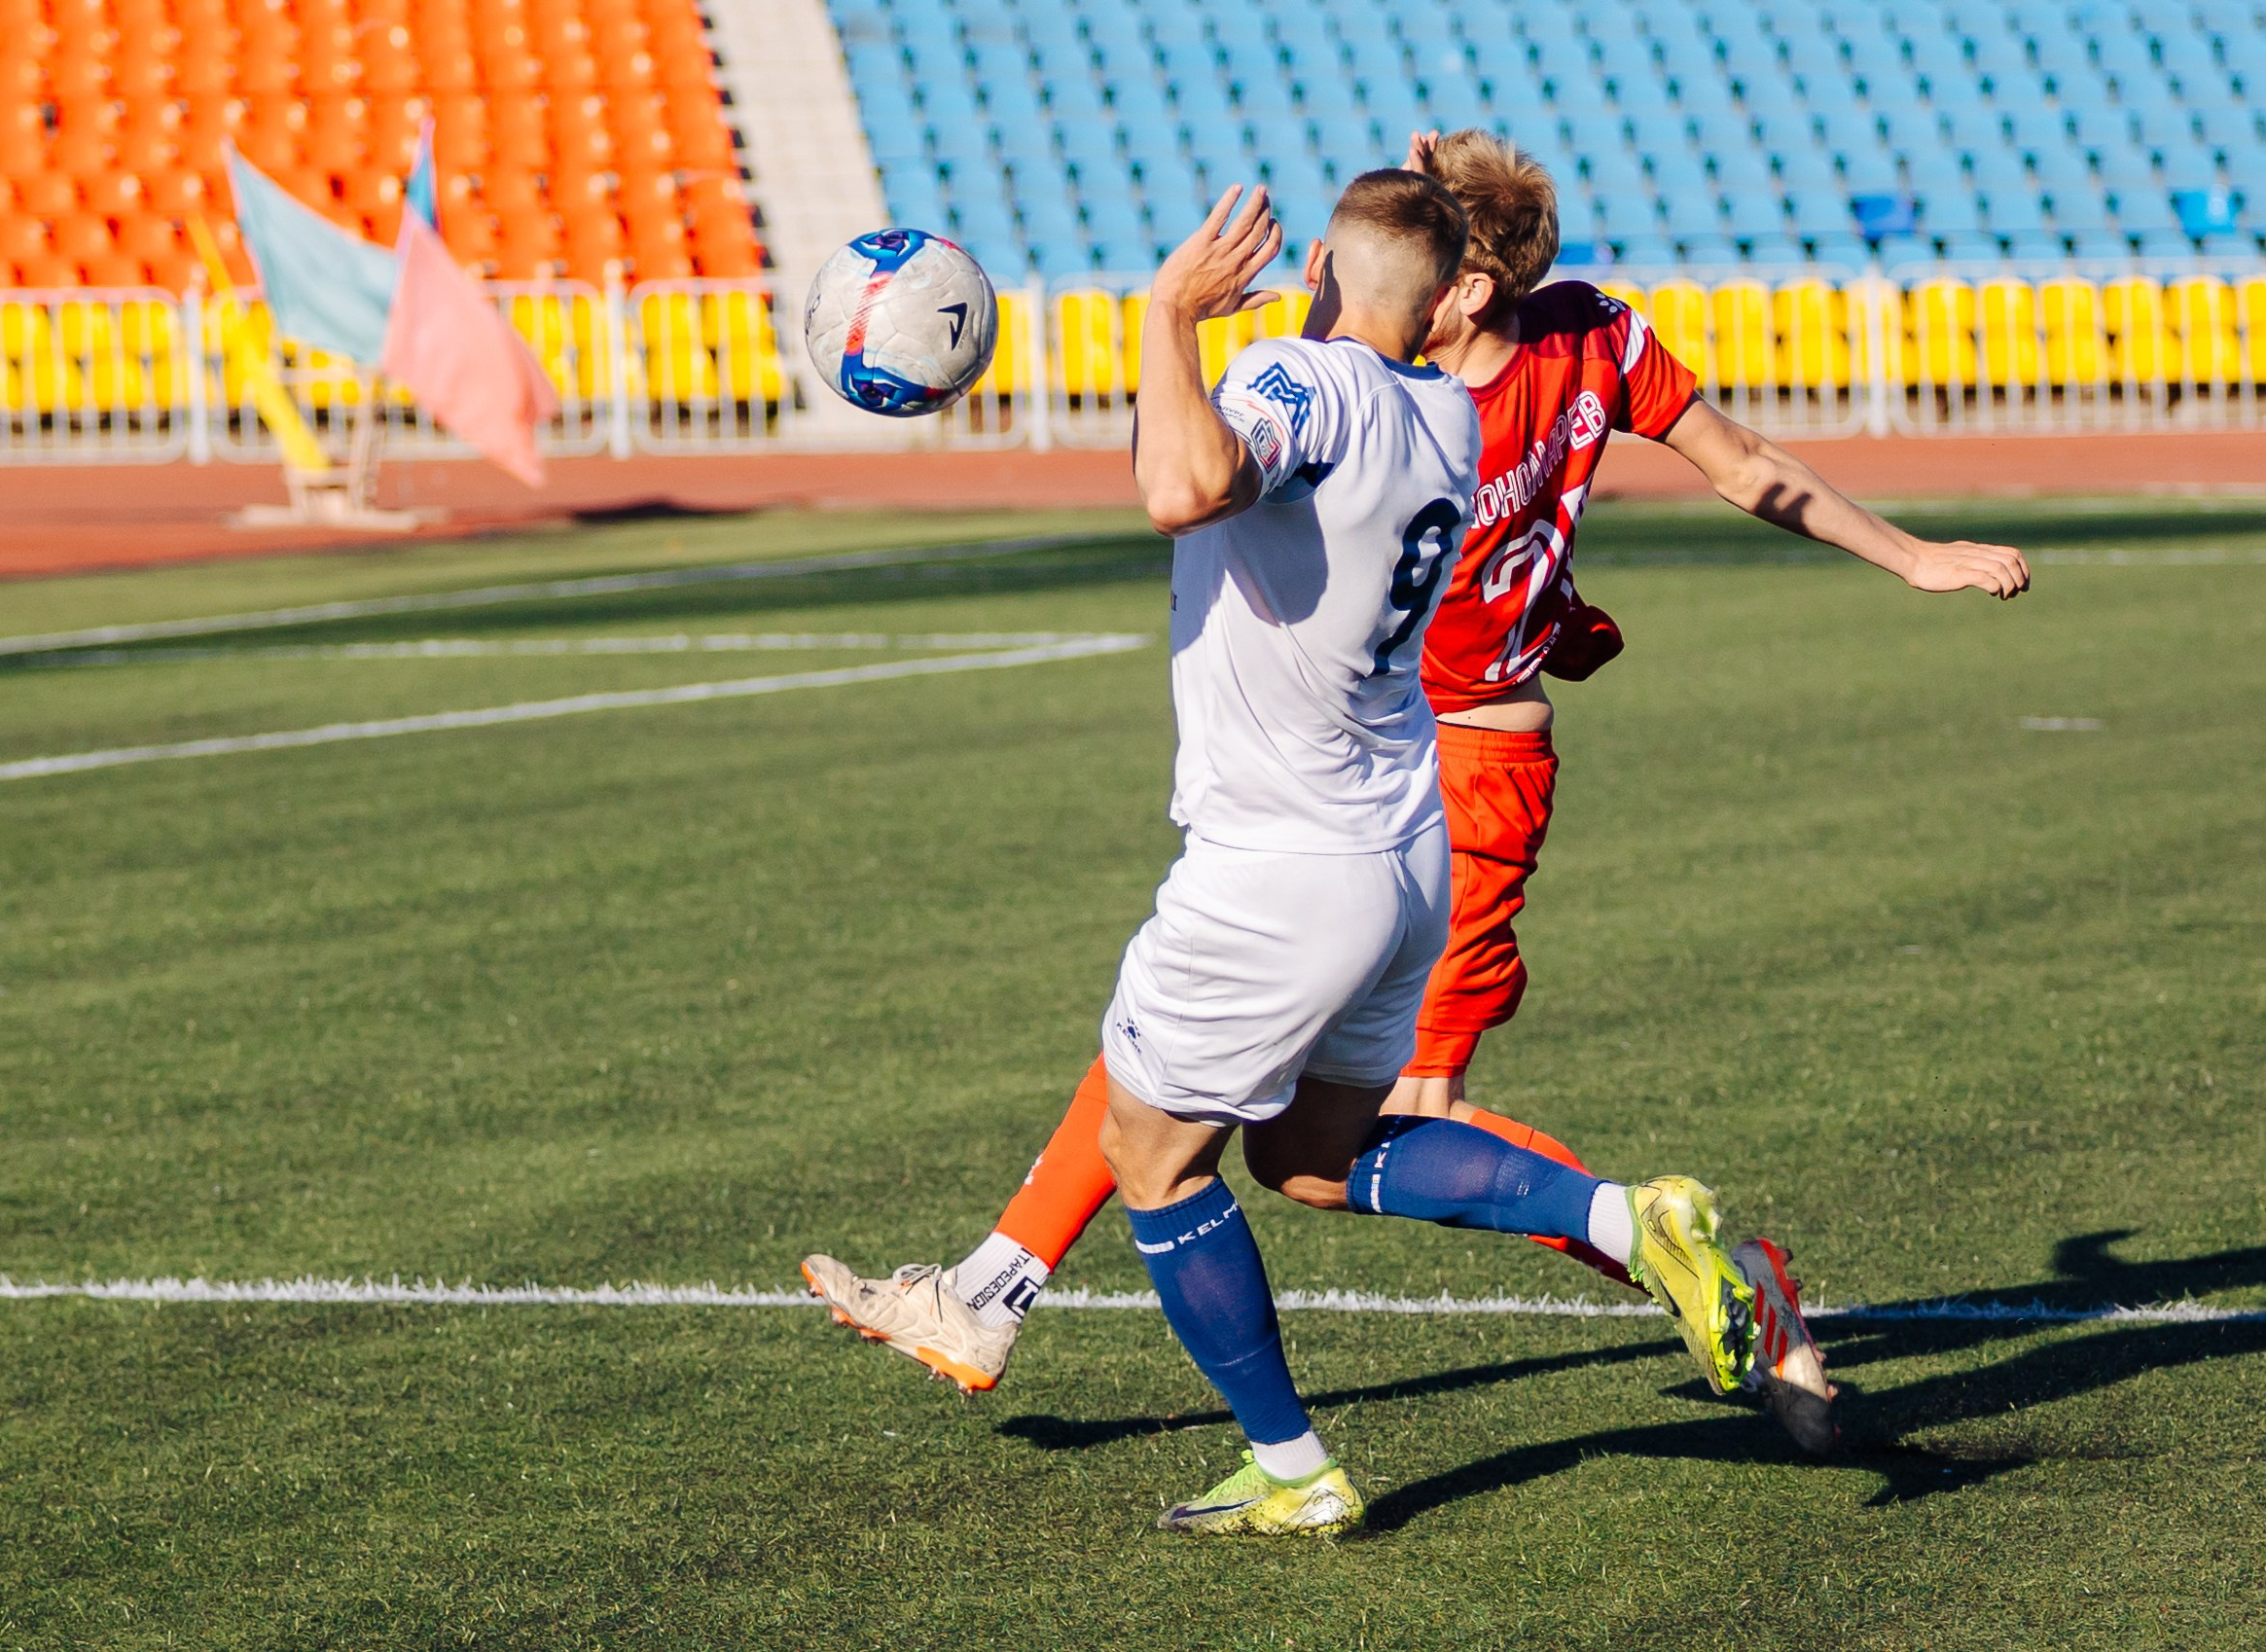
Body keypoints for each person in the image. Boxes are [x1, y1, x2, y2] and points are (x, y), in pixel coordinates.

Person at [805, 134, 2029, 1455]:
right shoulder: (1579, 341)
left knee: (1385, 1120)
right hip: (1398, 763)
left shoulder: (1406, 393)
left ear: (1464, 294)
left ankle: (1726, 1282)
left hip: (1436, 775)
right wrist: (1909, 558)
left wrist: (1210, 323)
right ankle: (991, 1288)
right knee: (1183, 1036)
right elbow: (1738, 464)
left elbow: (1213, 471)